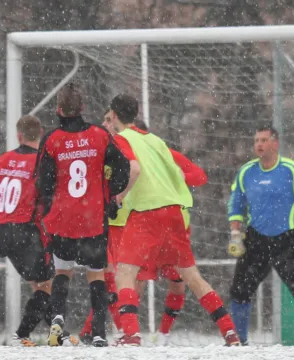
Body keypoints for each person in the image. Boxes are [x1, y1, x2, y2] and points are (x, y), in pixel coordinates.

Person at [108, 93, 240, 346]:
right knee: (192, 277)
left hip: (146, 212)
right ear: (135, 114)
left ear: (113, 115)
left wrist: (119, 196)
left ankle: (131, 335)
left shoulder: (120, 139)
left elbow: (134, 169)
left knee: (124, 273)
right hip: (174, 213)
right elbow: (185, 173)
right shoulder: (156, 141)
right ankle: (229, 332)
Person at [79, 116, 209, 346]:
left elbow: (199, 176)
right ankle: (106, 330)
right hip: (120, 224)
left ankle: (160, 335)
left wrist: (178, 178)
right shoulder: (113, 150)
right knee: (115, 279)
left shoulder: (160, 153)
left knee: (174, 283)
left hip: (160, 227)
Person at [35, 83, 133, 347]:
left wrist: (48, 205)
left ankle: (57, 321)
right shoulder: (99, 135)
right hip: (92, 217)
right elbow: (123, 168)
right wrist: (111, 195)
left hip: (63, 218)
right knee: (96, 274)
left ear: (58, 110)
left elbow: (42, 181)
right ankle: (100, 332)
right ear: (83, 108)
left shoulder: (52, 139)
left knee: (62, 271)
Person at [227, 126, 294, 346]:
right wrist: (235, 233)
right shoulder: (247, 172)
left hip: (287, 240)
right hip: (256, 239)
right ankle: (239, 341)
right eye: (256, 140)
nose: (259, 144)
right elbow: (236, 203)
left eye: (264, 140)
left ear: (275, 143)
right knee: (240, 289)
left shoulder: (291, 170)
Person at [0, 115, 53, 347]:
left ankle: (58, 334)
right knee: (47, 284)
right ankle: (21, 335)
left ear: (18, 135)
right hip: (27, 230)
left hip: (3, 231)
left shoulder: (0, 161)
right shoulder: (42, 162)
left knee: (38, 285)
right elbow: (49, 197)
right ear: (41, 133)